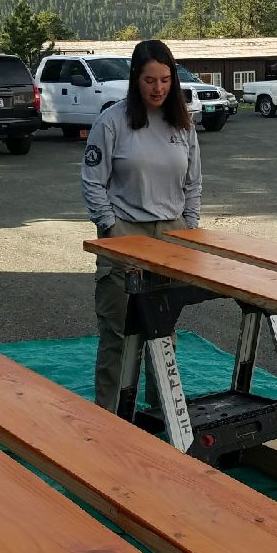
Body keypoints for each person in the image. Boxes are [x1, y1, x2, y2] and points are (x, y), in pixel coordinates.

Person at [81, 38, 202, 411]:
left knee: (162, 332)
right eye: (150, 80)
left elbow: (193, 183)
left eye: (165, 79)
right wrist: (110, 227)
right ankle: (112, 417)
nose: (158, 88)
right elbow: (92, 181)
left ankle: (161, 413)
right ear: (136, 79)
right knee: (119, 332)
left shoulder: (182, 125)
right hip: (125, 233)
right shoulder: (112, 122)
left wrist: (190, 228)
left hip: (172, 234)